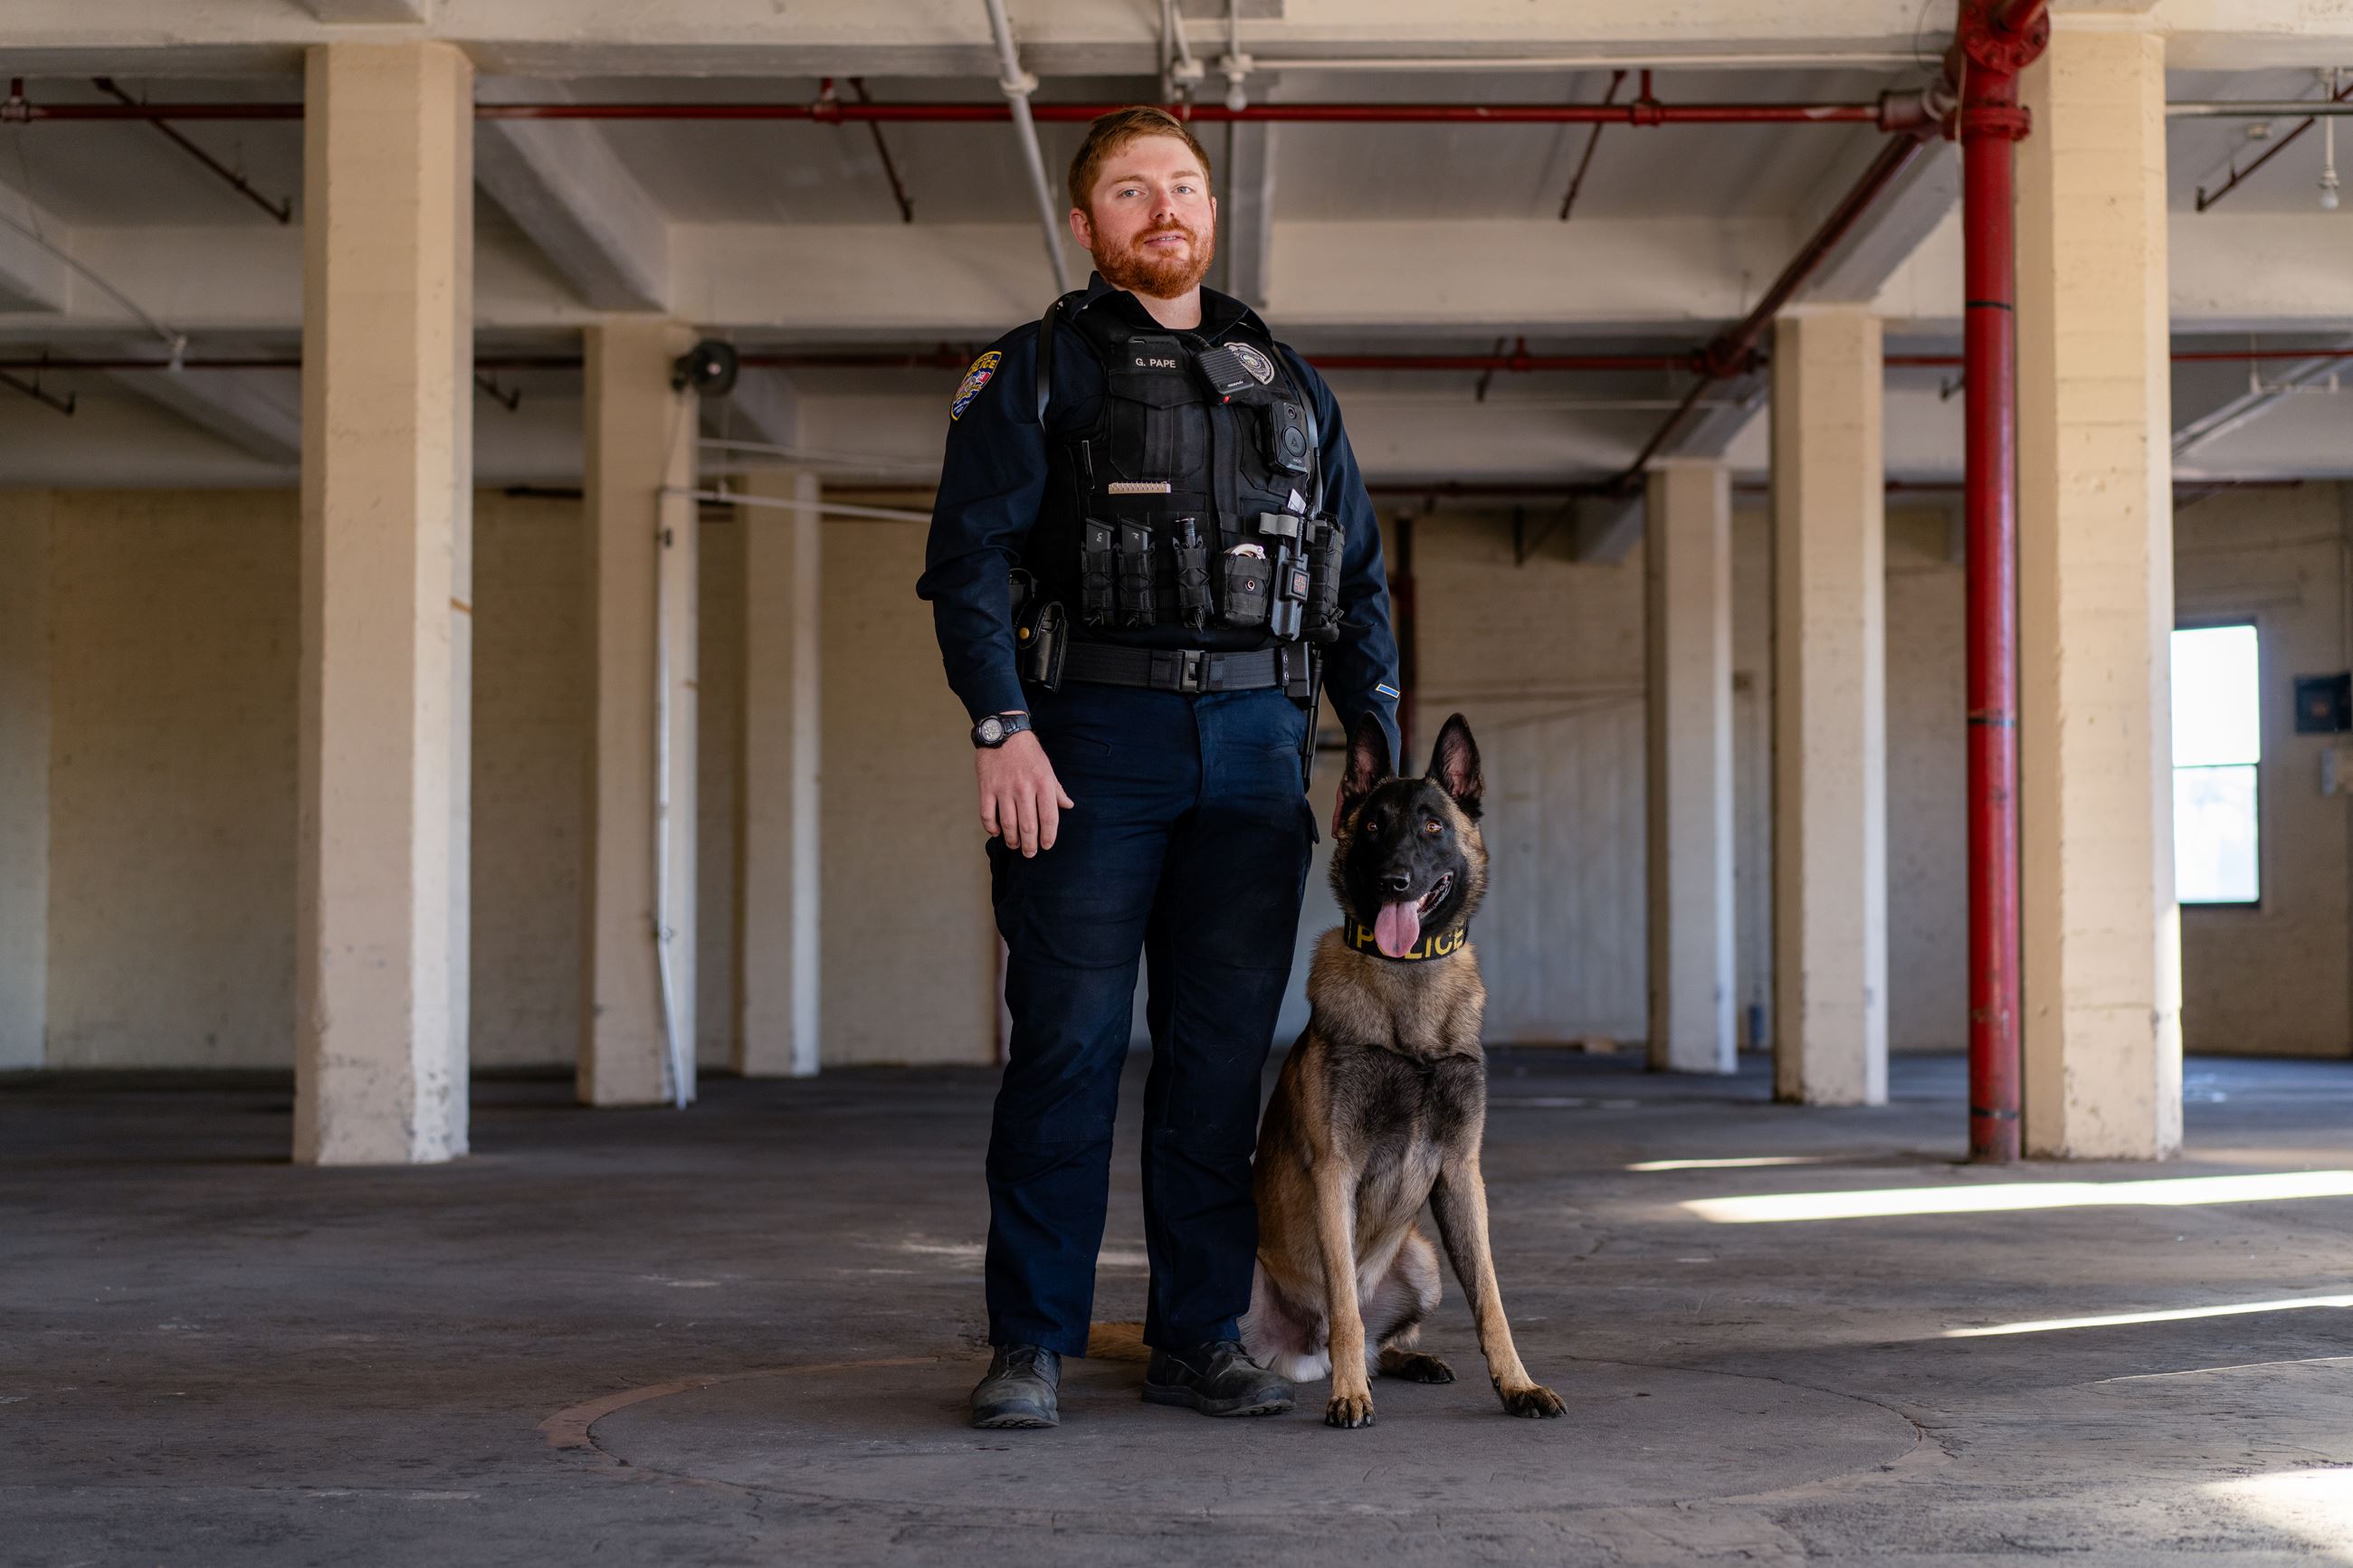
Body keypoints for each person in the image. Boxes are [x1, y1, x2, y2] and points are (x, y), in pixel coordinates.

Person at [917, 106, 1403, 1430]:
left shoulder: (1292, 382)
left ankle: (1197, 1334)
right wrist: (1000, 725)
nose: (1163, 208)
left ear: (1207, 209)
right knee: (1066, 1050)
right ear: (1089, 226)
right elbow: (967, 567)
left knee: (1217, 1060)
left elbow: (1355, 576)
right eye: (1131, 191)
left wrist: (1378, 736)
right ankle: (1030, 1340)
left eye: (1182, 185)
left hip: (1256, 752)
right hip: (1087, 744)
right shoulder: (1032, 371)